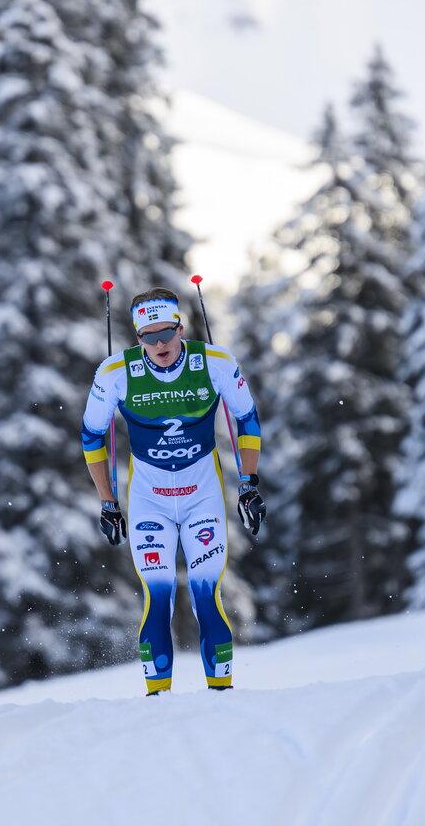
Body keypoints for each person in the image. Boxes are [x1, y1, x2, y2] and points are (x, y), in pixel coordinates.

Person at [80, 286, 266, 693]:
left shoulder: (214, 363)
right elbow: (92, 437)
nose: (160, 344)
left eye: (167, 332)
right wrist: (108, 503)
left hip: (203, 497)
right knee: (157, 596)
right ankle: (157, 698)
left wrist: (249, 485)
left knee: (206, 593)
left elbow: (247, 420)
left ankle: (221, 692)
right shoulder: (115, 374)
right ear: (137, 338)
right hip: (150, 502)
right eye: (149, 337)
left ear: (181, 326)